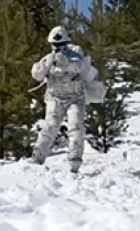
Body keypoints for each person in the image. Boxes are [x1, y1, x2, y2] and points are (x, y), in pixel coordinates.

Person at [29, 26, 106, 173]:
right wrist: (44, 66)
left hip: (75, 98)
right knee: (49, 127)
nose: (58, 48)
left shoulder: (76, 53)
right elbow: (37, 75)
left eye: (60, 44)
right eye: (55, 45)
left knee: (76, 127)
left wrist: (66, 62)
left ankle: (74, 161)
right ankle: (37, 158)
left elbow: (78, 66)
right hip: (55, 98)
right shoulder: (48, 59)